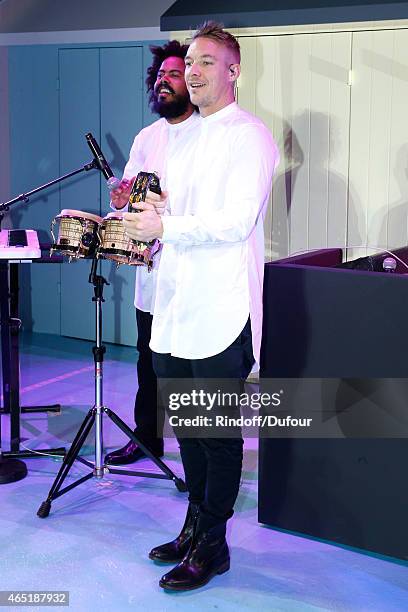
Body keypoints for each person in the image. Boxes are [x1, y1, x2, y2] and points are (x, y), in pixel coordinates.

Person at [123, 22, 279, 590]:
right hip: (174, 305)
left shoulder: (250, 135)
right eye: (190, 60)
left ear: (234, 71)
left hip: (221, 308)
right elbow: (170, 222)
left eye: (207, 61)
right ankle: (194, 528)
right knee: (188, 427)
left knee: (216, 433)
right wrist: (141, 227)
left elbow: (236, 222)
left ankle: (214, 545)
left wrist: (166, 223)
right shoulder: (179, 137)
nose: (193, 70)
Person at [105, 41, 199, 465]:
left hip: (194, 276)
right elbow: (124, 201)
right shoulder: (147, 138)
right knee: (148, 361)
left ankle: (200, 450)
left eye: (174, 74)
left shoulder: (209, 133)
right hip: (152, 272)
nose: (164, 80)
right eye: (160, 75)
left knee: (191, 368)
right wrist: (122, 200)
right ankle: (147, 438)